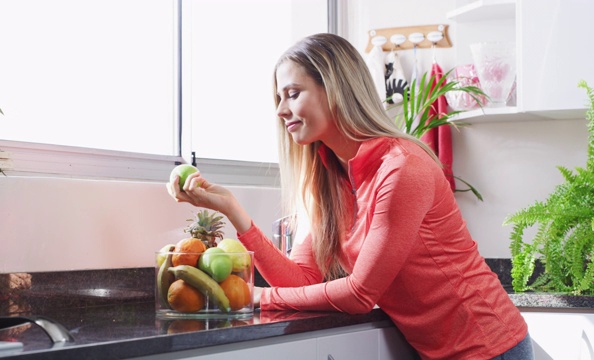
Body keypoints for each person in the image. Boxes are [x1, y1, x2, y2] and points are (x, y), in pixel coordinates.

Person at [167, 33, 533, 360]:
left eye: (293, 94)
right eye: (279, 98)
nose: (280, 110)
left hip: (490, 347)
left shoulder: (402, 167)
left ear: (335, 88)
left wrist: (262, 298)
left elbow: (359, 294)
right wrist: (232, 210)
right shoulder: (331, 175)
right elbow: (301, 281)